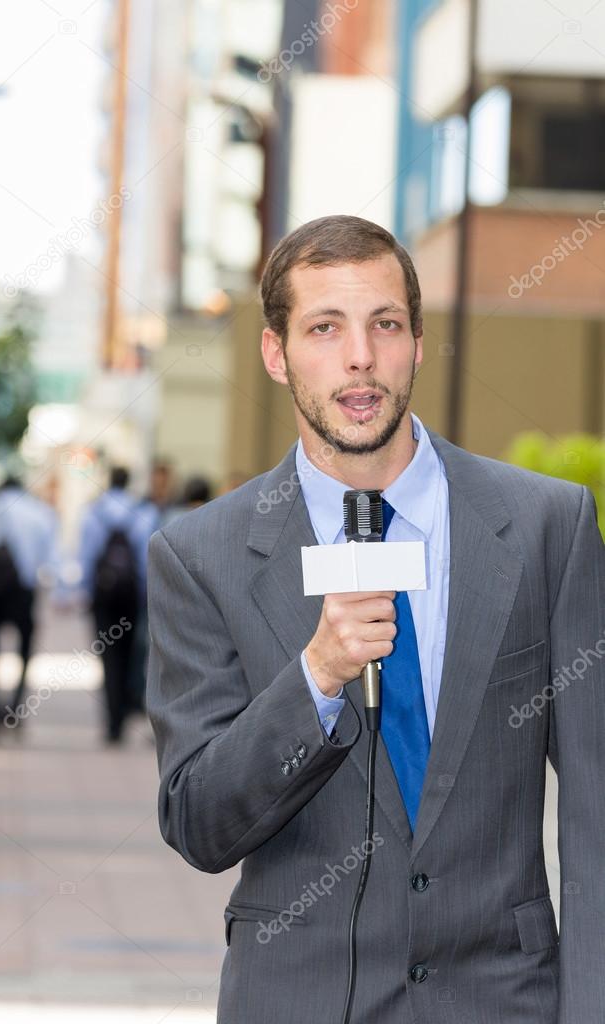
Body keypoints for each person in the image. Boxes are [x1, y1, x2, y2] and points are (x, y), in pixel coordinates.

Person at [146, 215, 605, 1023]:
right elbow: (199, 822)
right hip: (296, 998)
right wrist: (316, 677)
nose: (360, 356)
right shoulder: (200, 556)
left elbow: (598, 807)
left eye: (384, 324)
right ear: (276, 354)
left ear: (419, 343)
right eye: (325, 327)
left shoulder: (547, 525)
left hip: (503, 1001)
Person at [0, 474, 58, 738]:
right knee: (25, 650)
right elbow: (50, 560)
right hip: (23, 591)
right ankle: (16, 709)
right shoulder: (39, 511)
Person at [79, 466, 140, 743]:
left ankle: (111, 722)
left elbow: (86, 555)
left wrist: (83, 592)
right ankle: (123, 714)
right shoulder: (141, 510)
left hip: (104, 593)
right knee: (130, 656)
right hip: (131, 595)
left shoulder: (95, 511)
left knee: (108, 656)